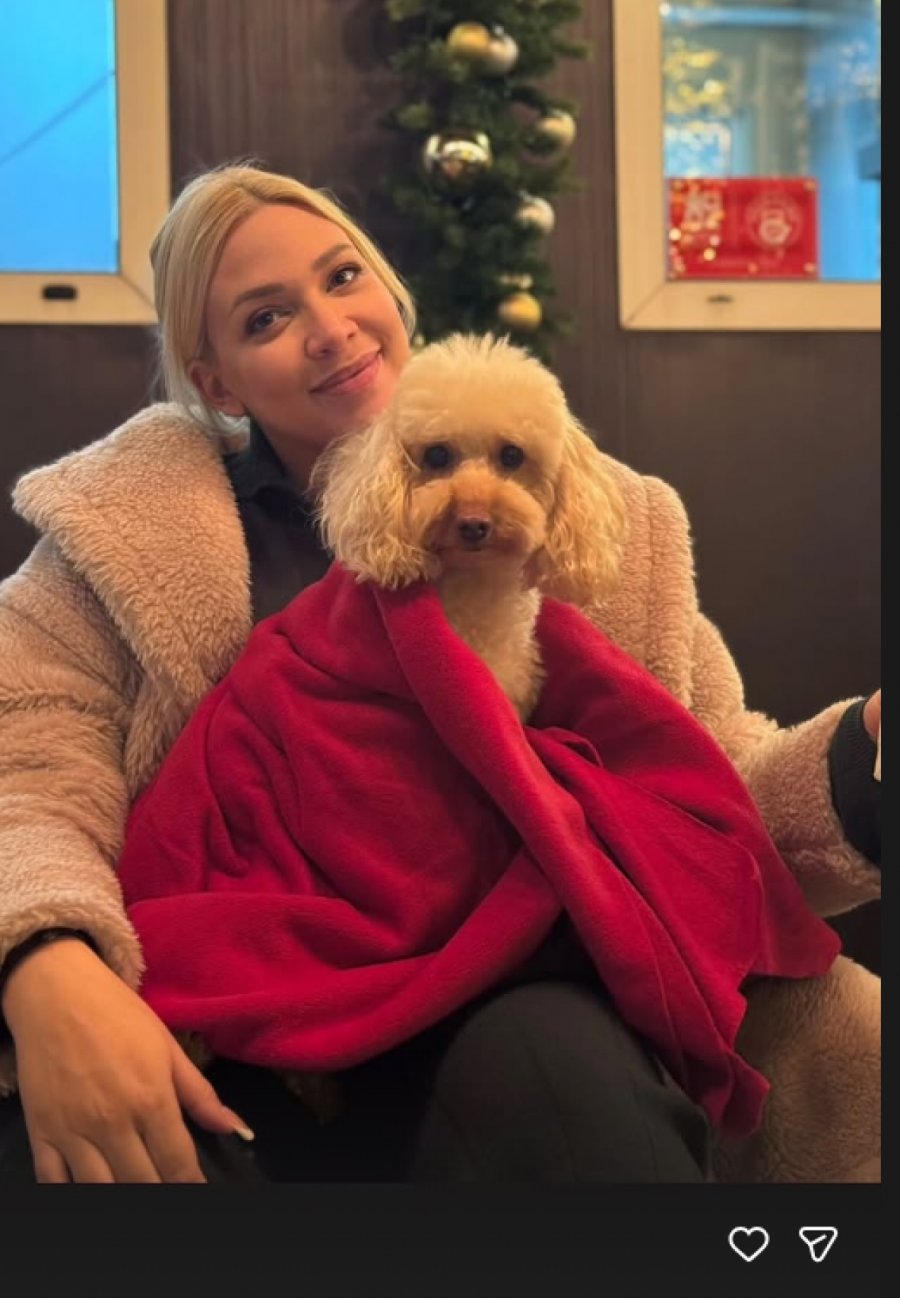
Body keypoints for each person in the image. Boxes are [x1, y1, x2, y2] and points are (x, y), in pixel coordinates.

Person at [0, 164, 881, 1185]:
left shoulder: (615, 524)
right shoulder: (112, 542)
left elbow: (699, 789)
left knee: (563, 1071)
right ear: (218, 383)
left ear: (391, 291)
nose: (330, 328)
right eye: (267, 317)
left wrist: (863, 754)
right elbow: (26, 769)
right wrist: (47, 959)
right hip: (252, 978)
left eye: (343, 277)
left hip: (510, 991)